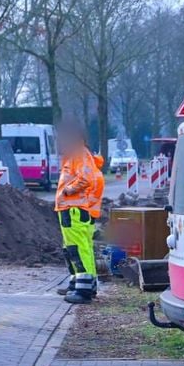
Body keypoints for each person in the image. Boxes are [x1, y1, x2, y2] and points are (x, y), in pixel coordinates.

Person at [54, 121, 105, 304]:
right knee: (77, 248)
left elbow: (85, 178)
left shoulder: (79, 153)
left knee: (76, 248)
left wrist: (68, 190)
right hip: (75, 209)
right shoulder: (76, 155)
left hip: (73, 209)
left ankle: (82, 290)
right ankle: (82, 284)